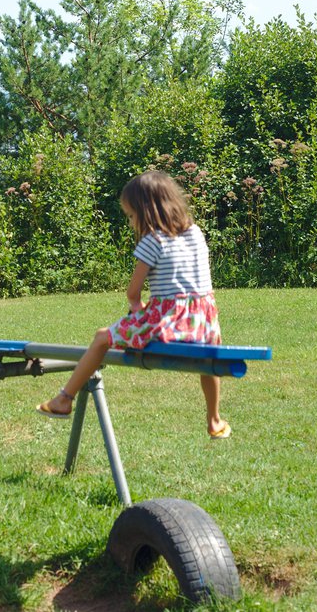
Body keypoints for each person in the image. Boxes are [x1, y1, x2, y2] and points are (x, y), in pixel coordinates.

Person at [35, 170, 231, 439]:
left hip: (170, 326)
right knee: (207, 363)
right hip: (204, 329)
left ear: (145, 211)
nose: (130, 222)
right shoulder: (196, 233)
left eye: (130, 215)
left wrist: (138, 312)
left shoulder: (153, 241)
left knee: (102, 337)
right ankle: (215, 419)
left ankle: (63, 399)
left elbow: (133, 292)